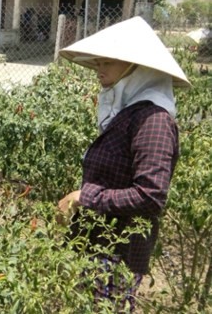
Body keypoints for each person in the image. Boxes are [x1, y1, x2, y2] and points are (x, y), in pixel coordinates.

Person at [56, 16, 191, 311]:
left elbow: (151, 196)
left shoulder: (153, 120)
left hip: (118, 251)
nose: (99, 70)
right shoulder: (129, 113)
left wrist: (86, 197)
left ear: (137, 67)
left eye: (107, 63)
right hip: (98, 241)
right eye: (98, 63)